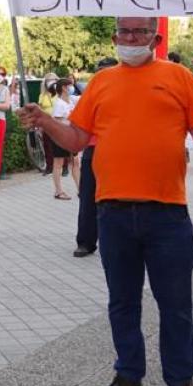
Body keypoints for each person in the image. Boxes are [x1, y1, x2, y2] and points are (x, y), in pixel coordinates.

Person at [18, 17, 193, 386]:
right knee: (122, 303)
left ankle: (181, 383)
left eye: (140, 32)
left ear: (155, 38)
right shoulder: (102, 82)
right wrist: (45, 120)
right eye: (124, 31)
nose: (131, 38)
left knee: (176, 305)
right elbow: (76, 139)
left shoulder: (179, 77)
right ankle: (128, 375)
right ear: (114, 37)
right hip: (113, 214)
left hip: (167, 215)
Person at [74, 57, 117, 258]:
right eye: (100, 71)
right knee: (87, 196)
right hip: (92, 148)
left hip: (117, 150)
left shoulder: (125, 94)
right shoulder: (91, 95)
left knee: (116, 198)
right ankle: (85, 241)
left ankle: (118, 240)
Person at [48, 79, 80, 200]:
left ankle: (80, 189)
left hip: (71, 136)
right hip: (60, 137)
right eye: (70, 85)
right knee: (59, 163)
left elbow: (85, 97)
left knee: (75, 162)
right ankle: (58, 191)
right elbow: (56, 122)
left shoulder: (72, 100)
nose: (72, 87)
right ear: (64, 88)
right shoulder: (59, 104)